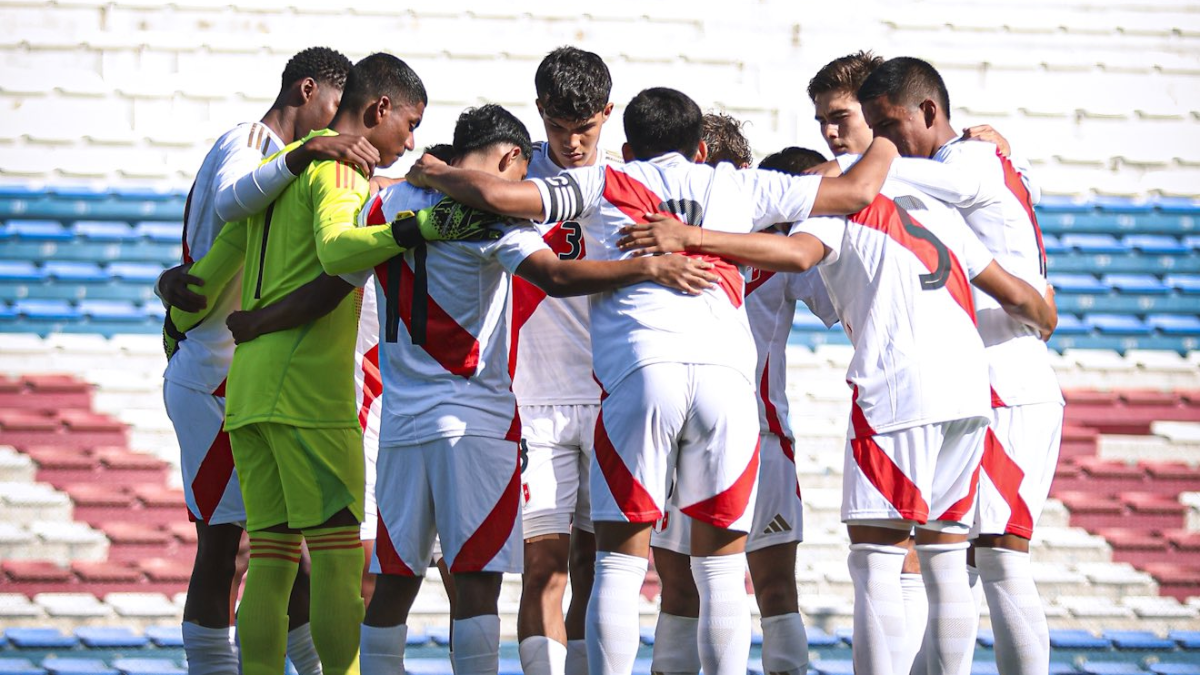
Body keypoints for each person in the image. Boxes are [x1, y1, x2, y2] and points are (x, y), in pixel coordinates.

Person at [404, 86, 898, 675]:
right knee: (719, 571)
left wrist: (434, 168)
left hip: (642, 376)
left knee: (617, 564)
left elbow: (499, 195)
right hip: (726, 381)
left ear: (628, 144)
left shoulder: (603, 180)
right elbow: (859, 189)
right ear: (702, 146)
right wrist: (892, 131)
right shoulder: (737, 183)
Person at [615, 165, 1056, 675]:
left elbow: (829, 272)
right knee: (933, 559)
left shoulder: (803, 232)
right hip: (728, 426)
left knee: (766, 581)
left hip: (753, 431)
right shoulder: (667, 239)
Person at [356, 103, 718, 675]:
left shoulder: (386, 203)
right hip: (473, 420)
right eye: (521, 175)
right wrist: (647, 268)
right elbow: (555, 276)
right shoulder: (489, 216)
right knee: (476, 584)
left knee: (394, 582)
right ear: (510, 158)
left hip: (400, 420)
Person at [165, 52, 444, 675]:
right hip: (308, 393)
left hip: (249, 385)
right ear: (378, 111)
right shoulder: (339, 164)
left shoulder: (277, 167)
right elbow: (339, 247)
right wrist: (419, 227)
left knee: (268, 558)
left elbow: (206, 277)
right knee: (340, 563)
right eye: (410, 122)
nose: (411, 139)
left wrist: (173, 305)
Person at [858, 56, 1063, 675]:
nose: (884, 144)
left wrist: (823, 173)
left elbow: (882, 180)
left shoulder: (965, 163)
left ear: (929, 112)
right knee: (955, 566)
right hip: (987, 376)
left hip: (1005, 375)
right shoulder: (987, 156)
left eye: (889, 126)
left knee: (998, 558)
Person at [647, 141, 838, 675]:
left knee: (709, 593)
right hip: (724, 432)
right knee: (714, 592)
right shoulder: (672, 242)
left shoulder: (779, 249)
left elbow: (842, 302)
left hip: (738, 434)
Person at [514, 46, 622, 675]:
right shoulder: (510, 170)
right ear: (540, 114)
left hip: (612, 399)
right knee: (542, 569)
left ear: (608, 112)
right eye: (559, 128)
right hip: (534, 401)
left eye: (585, 129)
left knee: (598, 566)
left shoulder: (632, 179)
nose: (573, 143)